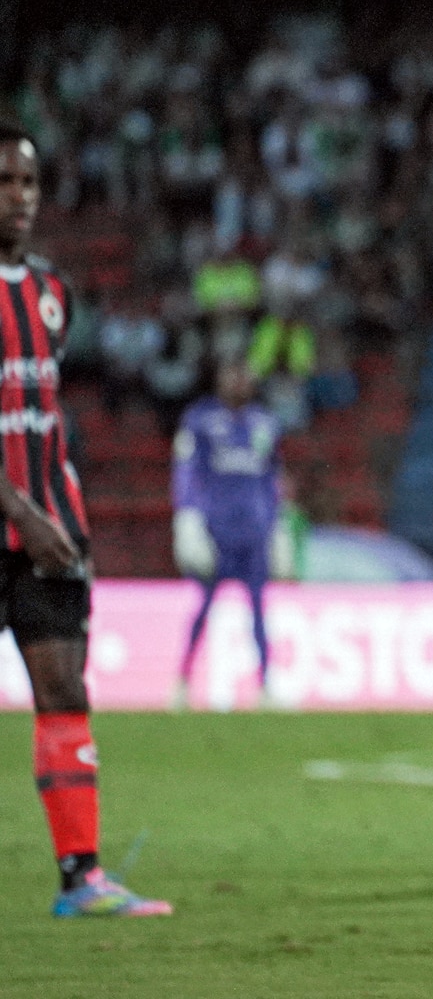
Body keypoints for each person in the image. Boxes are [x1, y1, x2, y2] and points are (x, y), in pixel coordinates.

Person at [0, 120, 172, 917]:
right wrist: (21, 510)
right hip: (21, 519)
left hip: (48, 531)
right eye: (5, 181)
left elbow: (45, 415)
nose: (19, 197)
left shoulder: (53, 293)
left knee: (64, 687)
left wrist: (62, 518)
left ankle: (82, 877)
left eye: (29, 182)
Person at [172, 361, 283, 708]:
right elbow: (186, 471)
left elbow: (271, 477)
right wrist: (188, 518)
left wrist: (276, 522)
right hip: (215, 530)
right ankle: (182, 682)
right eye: (232, 376)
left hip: (254, 531)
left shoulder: (264, 423)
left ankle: (265, 686)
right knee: (204, 607)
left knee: (259, 609)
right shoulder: (200, 420)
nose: (238, 382)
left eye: (243, 377)